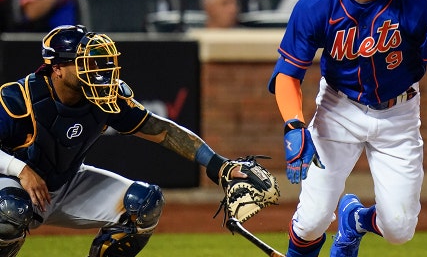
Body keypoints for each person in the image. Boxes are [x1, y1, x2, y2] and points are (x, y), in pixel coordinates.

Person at [267, 0, 427, 256]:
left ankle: (355, 220)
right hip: (339, 109)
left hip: (399, 113)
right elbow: (287, 74)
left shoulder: (417, 2)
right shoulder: (317, 5)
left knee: (399, 229)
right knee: (311, 220)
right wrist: (294, 124)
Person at [0, 25, 250, 256]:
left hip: (64, 182)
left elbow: (161, 130)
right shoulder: (20, 99)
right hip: (15, 186)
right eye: (86, 63)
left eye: (97, 62)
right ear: (57, 69)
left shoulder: (105, 96)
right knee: (10, 210)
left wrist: (217, 163)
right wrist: (20, 169)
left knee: (143, 204)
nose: (97, 70)